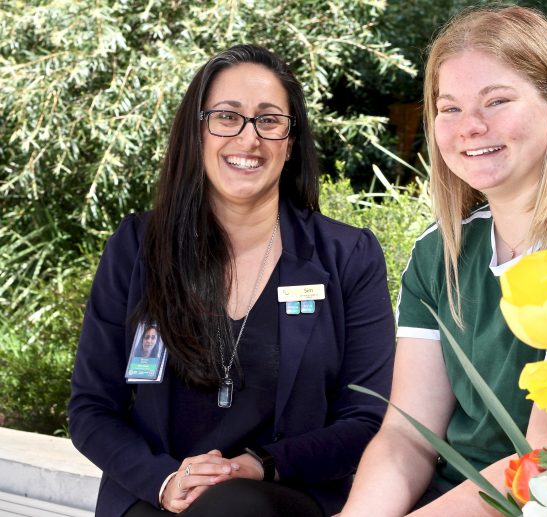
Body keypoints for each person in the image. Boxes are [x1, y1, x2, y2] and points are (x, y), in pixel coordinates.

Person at [340, 6, 547, 517]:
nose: (470, 126)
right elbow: (407, 435)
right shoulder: (441, 250)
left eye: (497, 101)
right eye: (448, 108)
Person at [68, 44, 395, 517]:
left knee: (235, 507)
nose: (248, 139)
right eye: (226, 116)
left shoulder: (347, 256)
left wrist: (258, 465)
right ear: (196, 132)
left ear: (291, 140)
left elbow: (367, 418)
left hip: (283, 495)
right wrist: (165, 481)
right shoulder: (137, 248)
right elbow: (92, 408)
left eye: (269, 120)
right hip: (155, 495)